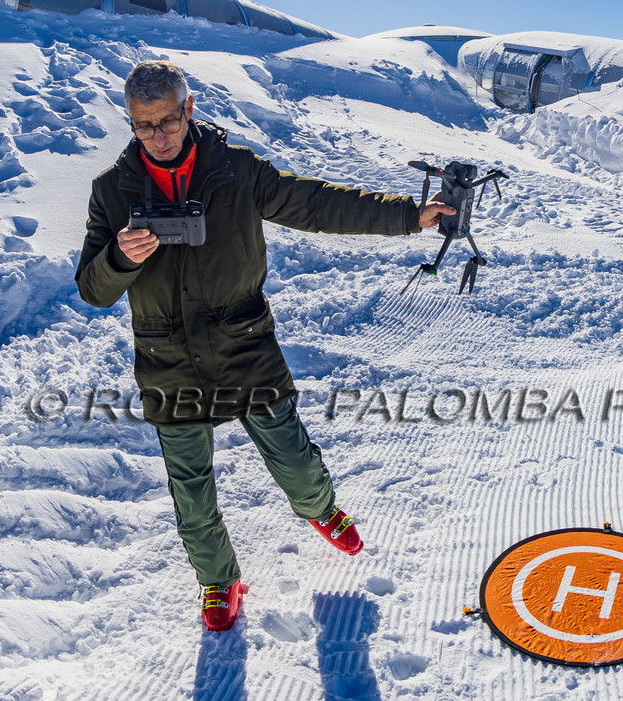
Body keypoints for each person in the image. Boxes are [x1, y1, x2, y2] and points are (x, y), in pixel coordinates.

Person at [75, 60, 454, 631]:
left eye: (167, 122)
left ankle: (321, 510)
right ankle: (218, 582)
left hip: (243, 342)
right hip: (168, 359)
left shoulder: (236, 170)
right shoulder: (111, 191)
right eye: (142, 126)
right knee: (191, 491)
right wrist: (120, 258)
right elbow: (92, 288)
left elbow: (315, 203)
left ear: (190, 109)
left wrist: (408, 216)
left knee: (296, 461)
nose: (157, 137)